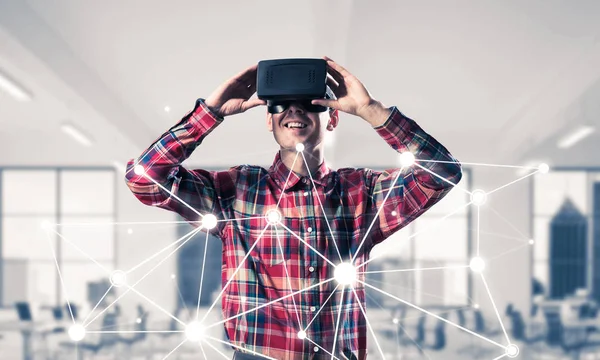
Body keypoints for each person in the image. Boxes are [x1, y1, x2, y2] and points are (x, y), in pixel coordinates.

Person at [125, 56, 462, 360]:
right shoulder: (236, 191)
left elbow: (442, 173)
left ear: (332, 120)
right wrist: (208, 115)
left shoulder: (363, 192)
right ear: (269, 122)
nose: (295, 110)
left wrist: (373, 110)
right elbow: (143, 178)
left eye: (309, 103)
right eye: (280, 104)